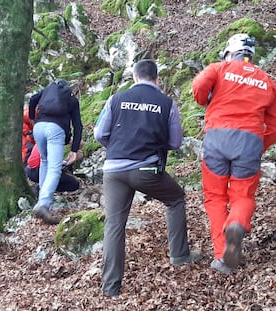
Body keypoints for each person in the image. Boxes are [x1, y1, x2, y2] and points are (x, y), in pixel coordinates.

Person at [94, 59, 203, 298]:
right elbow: (175, 142)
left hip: (113, 170)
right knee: (176, 199)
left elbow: (100, 133)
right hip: (147, 171)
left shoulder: (116, 99)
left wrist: (119, 147)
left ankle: (110, 289)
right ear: (157, 79)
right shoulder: (167, 104)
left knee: (114, 225)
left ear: (134, 77)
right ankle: (179, 255)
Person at [192, 34, 276, 274]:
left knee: (215, 197)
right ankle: (237, 224)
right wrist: (261, 145)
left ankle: (221, 255)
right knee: (242, 195)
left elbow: (198, 87)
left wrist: (205, 100)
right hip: (250, 141)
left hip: (218, 138)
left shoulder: (219, 68)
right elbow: (275, 123)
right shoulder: (267, 81)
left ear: (230, 52)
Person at [29, 79, 83, 224]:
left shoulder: (46, 91)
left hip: (38, 128)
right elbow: (78, 126)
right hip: (55, 130)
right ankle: (44, 204)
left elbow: (33, 99)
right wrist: (74, 149)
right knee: (54, 168)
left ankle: (41, 199)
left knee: (44, 161)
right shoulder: (72, 99)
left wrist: (33, 119)